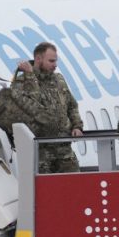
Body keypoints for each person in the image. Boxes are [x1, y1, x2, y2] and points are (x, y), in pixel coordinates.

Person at [10, 41, 83, 173]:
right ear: (38, 59)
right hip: (41, 153)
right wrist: (30, 76)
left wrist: (77, 126)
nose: (55, 65)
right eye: (51, 61)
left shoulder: (59, 80)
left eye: (56, 61)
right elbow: (32, 105)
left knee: (76, 184)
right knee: (44, 185)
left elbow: (72, 105)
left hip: (64, 150)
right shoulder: (21, 82)